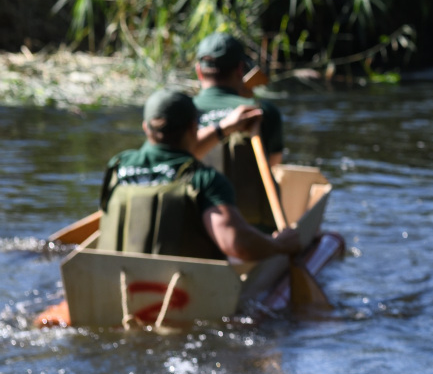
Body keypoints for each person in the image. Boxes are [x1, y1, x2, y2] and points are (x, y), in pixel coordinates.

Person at [98, 90, 299, 263]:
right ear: (194, 127)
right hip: (180, 291)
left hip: (114, 281)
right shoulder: (203, 180)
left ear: (145, 127)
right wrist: (278, 244)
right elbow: (238, 245)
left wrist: (224, 128)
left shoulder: (117, 166)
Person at [188, 32, 285, 232]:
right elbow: (273, 163)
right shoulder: (263, 110)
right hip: (250, 228)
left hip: (192, 222)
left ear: (199, 71)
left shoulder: (181, 112)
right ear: (240, 69)